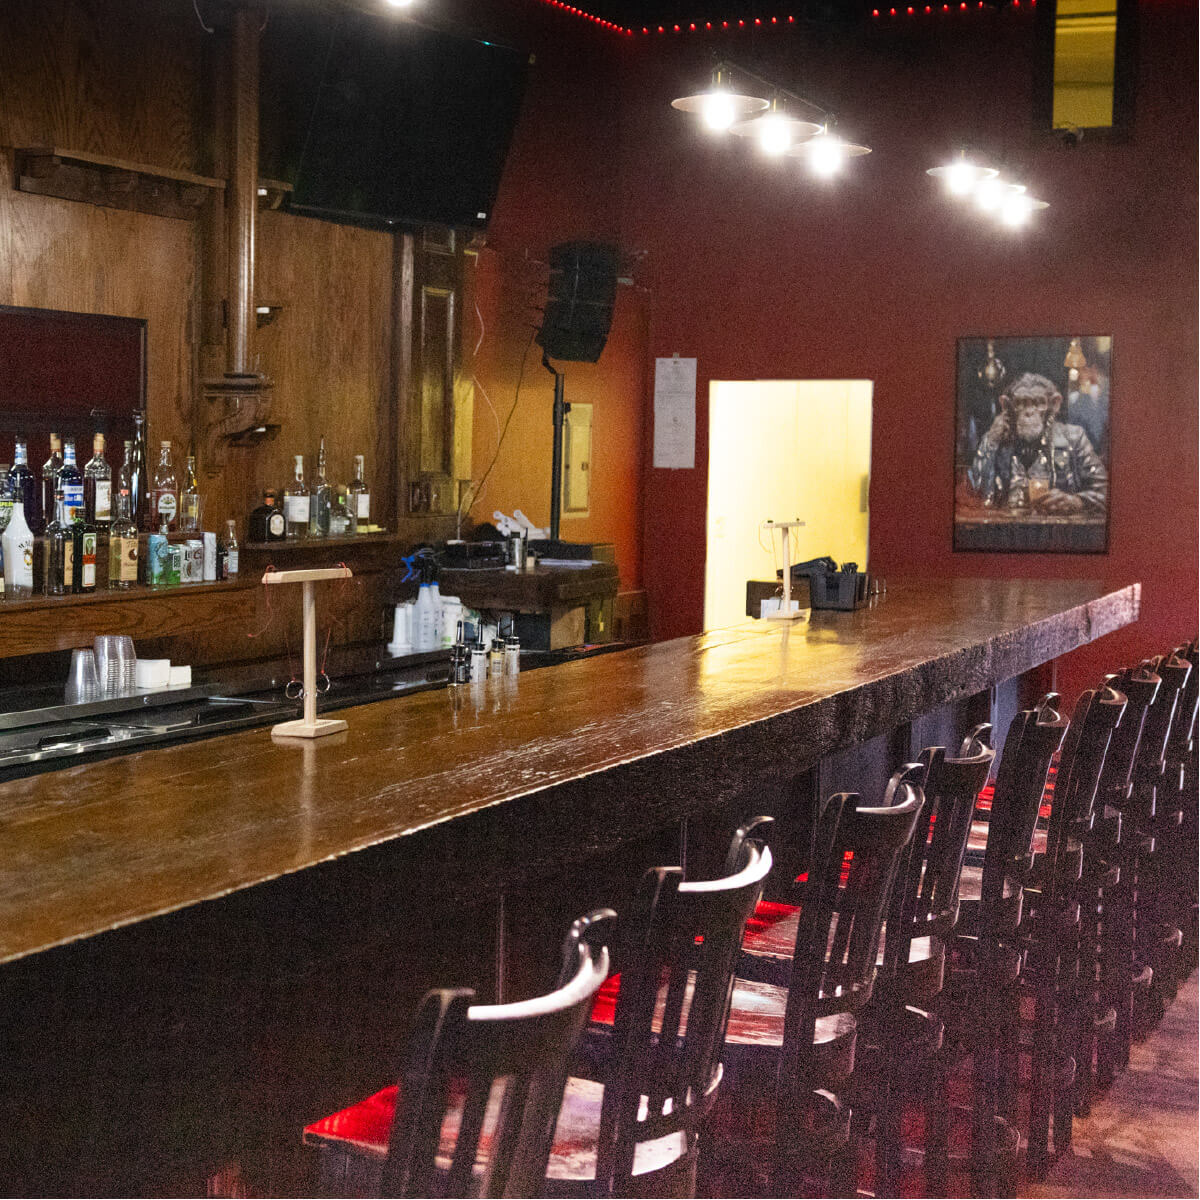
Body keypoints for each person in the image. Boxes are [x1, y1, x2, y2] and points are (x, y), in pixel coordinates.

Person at [968, 372, 1107, 515]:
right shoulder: (995, 439)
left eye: (1038, 403)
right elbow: (972, 494)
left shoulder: (1073, 438)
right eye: (1020, 403)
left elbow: (1105, 493)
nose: (1029, 412)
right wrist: (991, 443)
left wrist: (1077, 501)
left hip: (1057, 526)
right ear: (1007, 406)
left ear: (1054, 404)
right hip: (1005, 525)